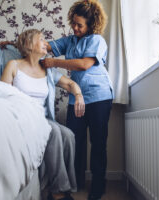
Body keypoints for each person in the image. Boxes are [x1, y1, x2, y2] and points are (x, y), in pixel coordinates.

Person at [40, 1, 114, 200]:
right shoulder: (70, 41)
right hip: (76, 97)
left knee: (98, 142)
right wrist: (14, 43)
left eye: (80, 25)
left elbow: (83, 64)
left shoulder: (97, 40)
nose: (75, 27)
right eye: (74, 23)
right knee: (74, 141)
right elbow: (42, 45)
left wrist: (54, 62)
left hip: (99, 96)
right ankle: (76, 182)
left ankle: (98, 186)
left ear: (91, 25)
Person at [0, 29, 85, 200]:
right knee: (52, 132)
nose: (46, 43)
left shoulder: (47, 71)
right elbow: (1, 94)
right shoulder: (13, 65)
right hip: (21, 118)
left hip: (42, 118)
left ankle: (66, 186)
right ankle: (57, 191)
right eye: (41, 39)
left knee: (68, 135)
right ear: (29, 45)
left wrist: (78, 95)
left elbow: (70, 84)